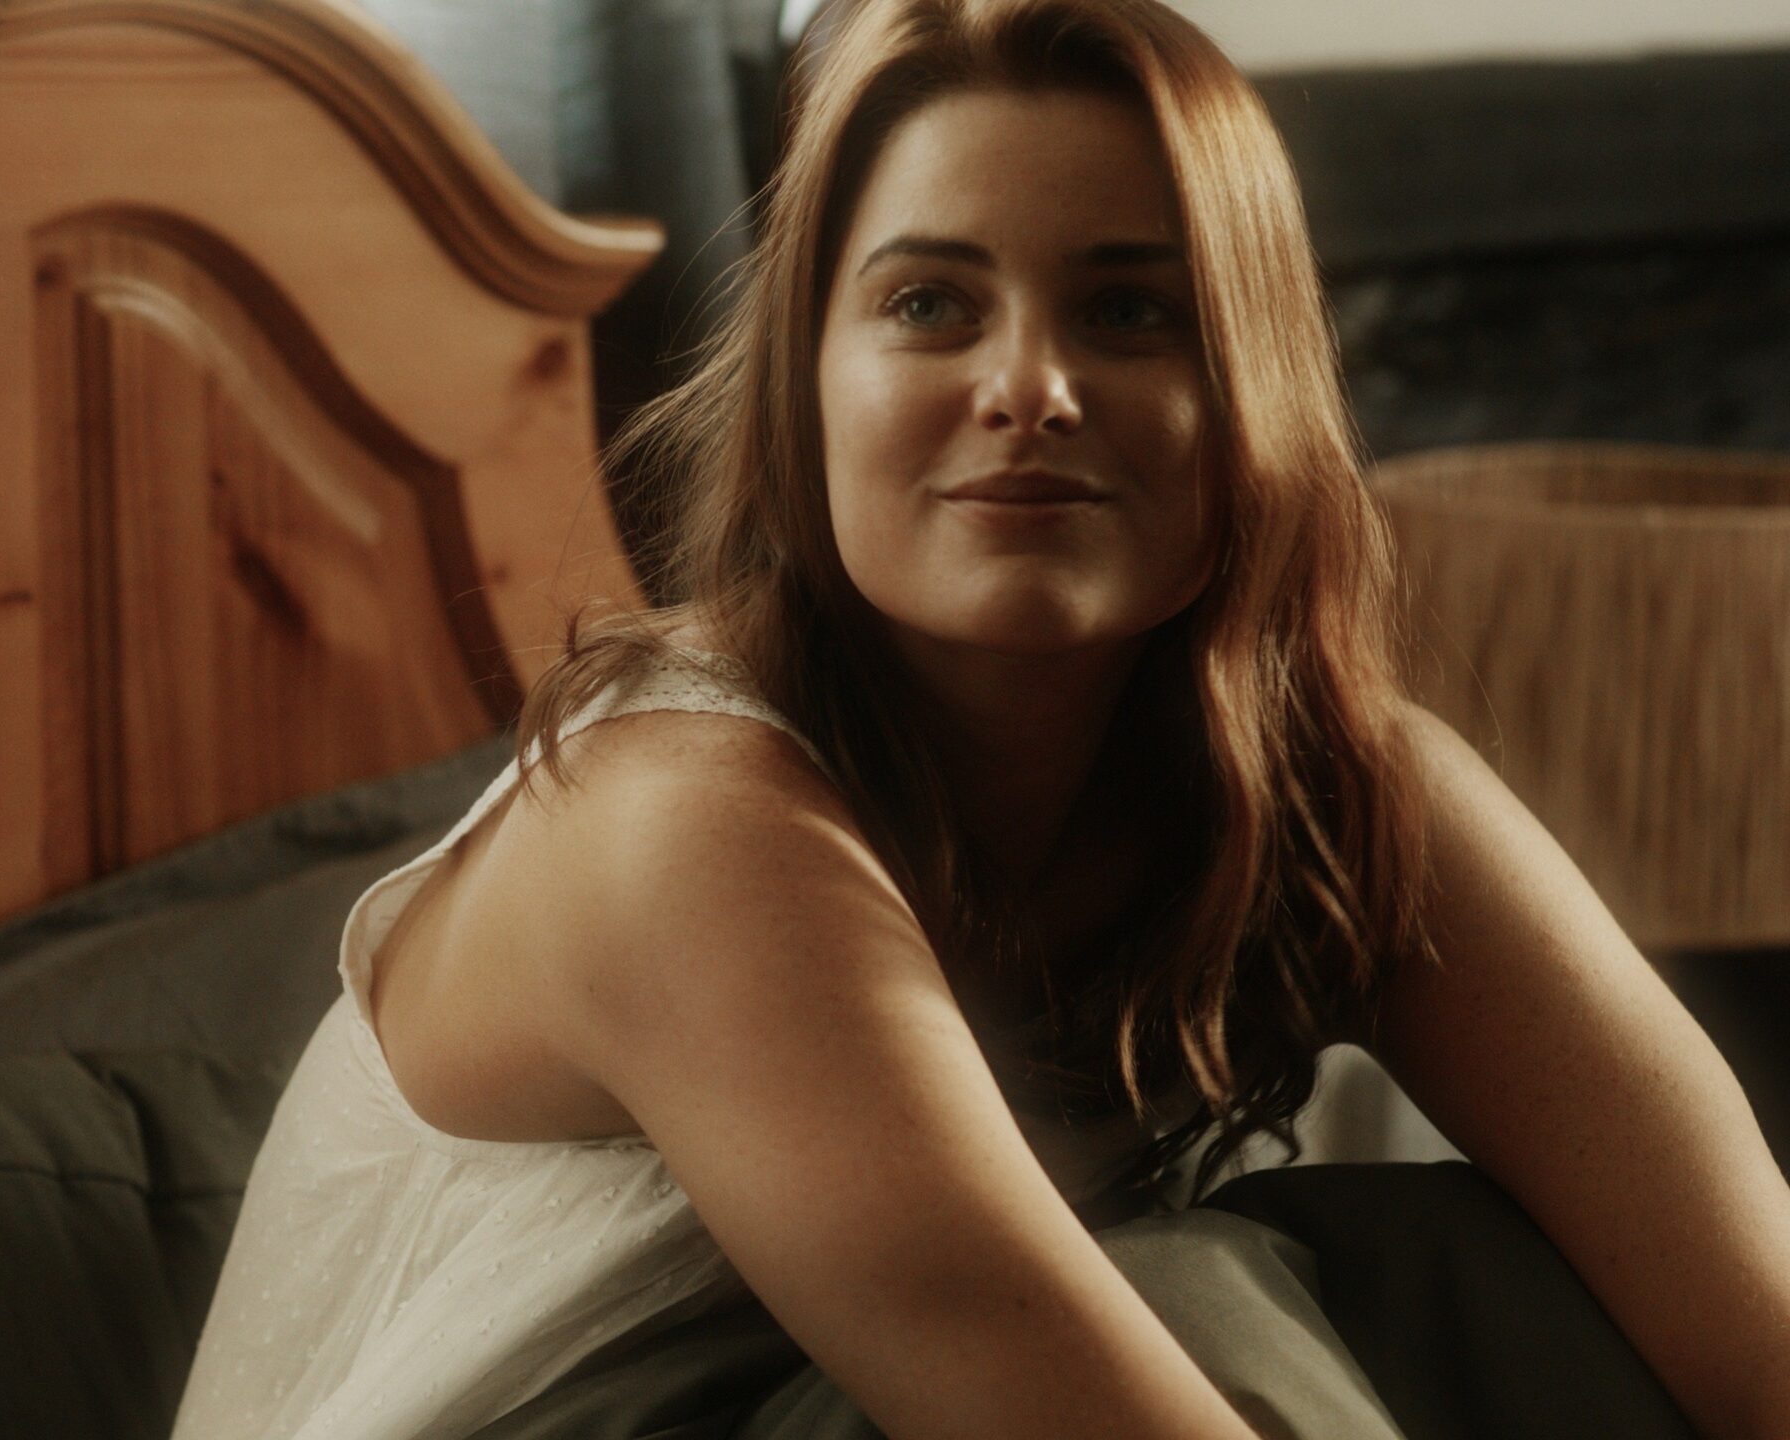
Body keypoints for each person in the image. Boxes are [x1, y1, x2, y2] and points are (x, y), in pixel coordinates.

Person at [168, 1, 1790, 1436]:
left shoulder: (1333, 800)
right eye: (931, 304)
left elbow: (1755, 1311)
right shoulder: (680, 821)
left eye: (1132, 312)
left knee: (1460, 1274)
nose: (1032, 389)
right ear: (809, 381)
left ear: (1260, 398)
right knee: (1199, 1298)